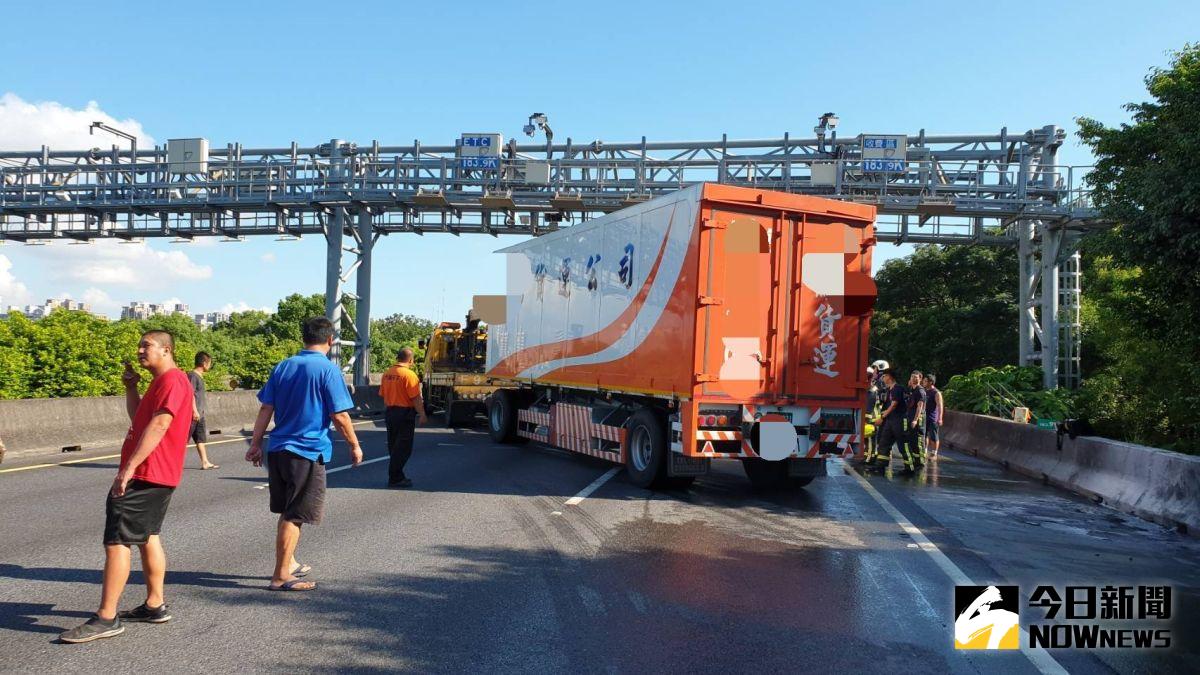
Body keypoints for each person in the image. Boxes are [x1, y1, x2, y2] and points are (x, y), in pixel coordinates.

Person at [60, 330, 194, 643]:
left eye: (146, 345)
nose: (139, 350)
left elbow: (161, 425)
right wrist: (132, 389)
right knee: (148, 537)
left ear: (165, 349)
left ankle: (107, 617)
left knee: (117, 541)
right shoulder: (159, 383)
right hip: (158, 474)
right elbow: (140, 419)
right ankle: (154, 604)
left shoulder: (173, 380)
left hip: (147, 473)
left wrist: (129, 469)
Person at [245, 317, 362, 592]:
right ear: (330, 340)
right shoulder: (327, 370)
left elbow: (266, 408)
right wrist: (354, 445)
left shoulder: (284, 366)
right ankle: (280, 576)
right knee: (295, 515)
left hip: (278, 450)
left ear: (303, 338)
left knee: (288, 510)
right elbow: (340, 415)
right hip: (307, 451)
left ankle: (290, 561)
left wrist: (255, 443)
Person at [380, 347, 428, 488]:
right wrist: (422, 414)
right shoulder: (409, 375)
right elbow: (416, 398)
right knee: (404, 448)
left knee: (394, 445)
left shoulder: (387, 373)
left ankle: (398, 475)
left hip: (390, 412)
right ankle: (394, 477)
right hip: (404, 413)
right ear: (411, 360)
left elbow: (383, 394)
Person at [873, 369, 914, 474]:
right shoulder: (888, 390)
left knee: (902, 445)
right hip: (890, 421)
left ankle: (910, 468)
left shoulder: (897, 389)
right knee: (884, 443)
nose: (883, 378)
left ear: (890, 377)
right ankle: (880, 466)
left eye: (884, 376)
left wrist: (882, 417)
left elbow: (894, 404)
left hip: (899, 421)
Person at [188, 351, 218, 470]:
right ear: (204, 363)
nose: (209, 366)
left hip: (200, 414)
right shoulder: (192, 376)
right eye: (209, 363)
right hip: (192, 415)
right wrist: (194, 411)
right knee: (182, 441)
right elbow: (189, 394)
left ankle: (205, 462)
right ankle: (172, 464)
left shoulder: (199, 376)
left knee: (200, 438)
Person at [905, 371, 927, 468]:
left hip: (917, 418)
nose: (914, 379)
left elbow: (920, 406)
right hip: (910, 416)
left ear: (920, 379)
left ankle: (921, 462)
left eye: (916, 377)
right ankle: (916, 461)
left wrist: (915, 420)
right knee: (912, 440)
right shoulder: (912, 390)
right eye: (912, 377)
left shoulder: (920, 391)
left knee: (918, 441)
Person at [923, 373, 944, 460]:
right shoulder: (924, 391)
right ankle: (924, 451)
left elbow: (940, 405)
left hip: (933, 418)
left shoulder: (936, 392)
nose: (923, 382)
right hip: (924, 417)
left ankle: (934, 453)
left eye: (925, 381)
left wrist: (940, 418)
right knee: (924, 435)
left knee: (934, 436)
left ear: (931, 382)